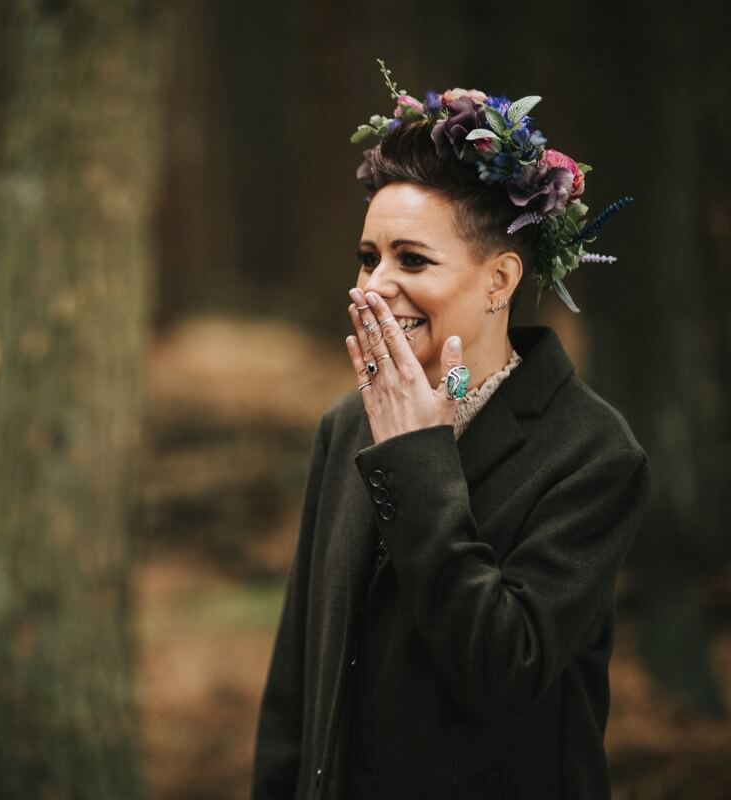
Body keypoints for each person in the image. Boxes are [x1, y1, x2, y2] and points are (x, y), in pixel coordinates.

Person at [251, 62, 649, 800]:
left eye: (412, 260)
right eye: (368, 257)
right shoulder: (346, 424)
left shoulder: (592, 453)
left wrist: (418, 459)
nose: (374, 287)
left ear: (499, 281)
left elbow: (505, 671)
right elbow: (295, 686)